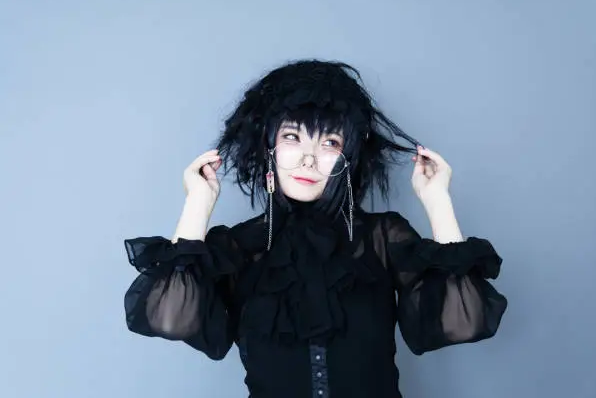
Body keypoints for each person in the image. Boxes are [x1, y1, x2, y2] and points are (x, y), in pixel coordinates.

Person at [123, 59, 508, 398]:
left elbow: (465, 322)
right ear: (269, 145)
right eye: (292, 136)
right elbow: (169, 318)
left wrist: (438, 201)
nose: (308, 158)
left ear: (347, 157)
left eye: (329, 142)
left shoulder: (381, 238)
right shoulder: (239, 248)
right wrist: (197, 204)